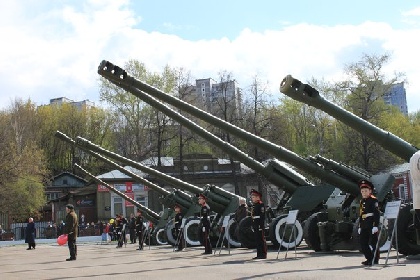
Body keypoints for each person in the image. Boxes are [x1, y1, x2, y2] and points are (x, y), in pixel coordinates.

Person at [358, 179, 380, 266]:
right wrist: (360, 226)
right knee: (363, 243)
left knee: (374, 243)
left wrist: (375, 225)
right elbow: (361, 214)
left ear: (370, 191)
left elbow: (376, 213)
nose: (364, 193)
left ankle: (375, 259)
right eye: (362, 191)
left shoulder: (373, 200)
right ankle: (369, 258)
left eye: (366, 191)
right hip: (364, 225)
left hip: (371, 224)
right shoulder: (362, 201)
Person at [250, 189, 267, 259]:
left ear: (258, 197)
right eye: (252, 197)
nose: (252, 198)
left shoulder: (260, 204)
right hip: (255, 224)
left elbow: (262, 216)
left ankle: (263, 254)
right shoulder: (255, 205)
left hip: (259, 224)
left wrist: (260, 225)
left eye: (253, 197)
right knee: (257, 240)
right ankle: (259, 254)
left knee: (261, 240)